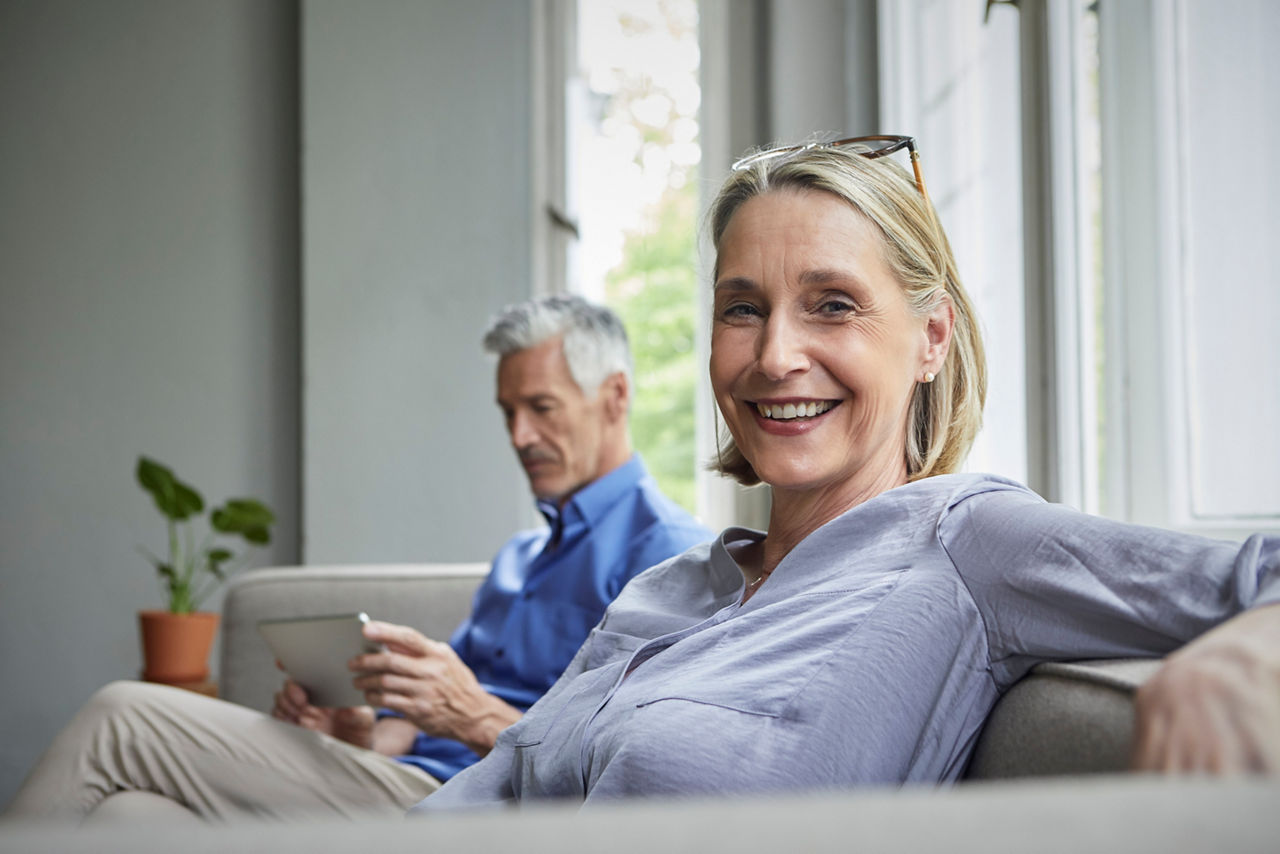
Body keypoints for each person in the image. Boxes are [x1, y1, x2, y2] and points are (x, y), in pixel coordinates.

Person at [415, 137, 1280, 811]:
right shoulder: (665, 589)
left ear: (931, 338)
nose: (775, 355)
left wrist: (1244, 647)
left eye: (833, 305)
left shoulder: (966, 543)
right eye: (742, 309)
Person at [6, 295, 712, 822]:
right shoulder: (519, 560)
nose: (519, 434)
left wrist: (468, 713)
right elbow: (411, 721)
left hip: (484, 806)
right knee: (131, 818)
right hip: (400, 785)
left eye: (542, 407)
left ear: (615, 397)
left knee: (121, 714)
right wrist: (359, 734)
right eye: (506, 413)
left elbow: (623, 774)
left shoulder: (669, 556)